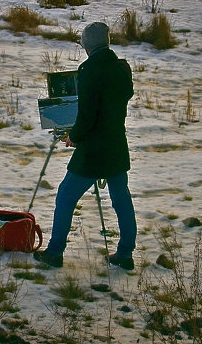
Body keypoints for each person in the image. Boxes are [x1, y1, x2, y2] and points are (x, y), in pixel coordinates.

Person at [34, 22, 137, 270]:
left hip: (93, 150)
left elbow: (87, 116)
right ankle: (125, 254)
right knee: (122, 199)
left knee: (66, 196)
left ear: (87, 44)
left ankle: (55, 252)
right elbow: (125, 95)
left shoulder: (89, 71)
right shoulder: (122, 68)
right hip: (116, 144)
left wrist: (75, 137)